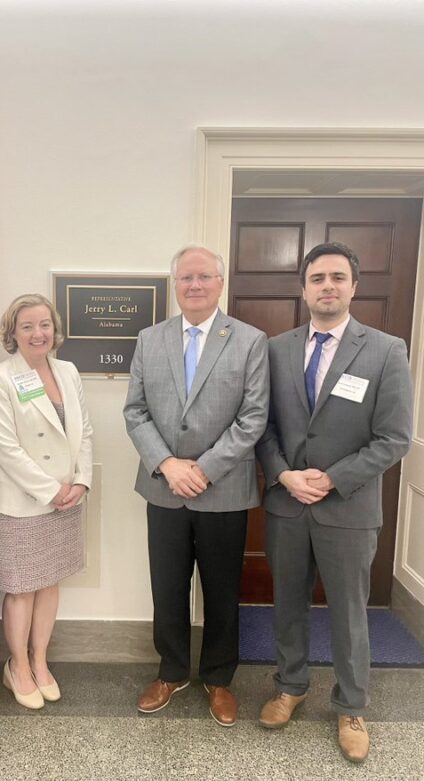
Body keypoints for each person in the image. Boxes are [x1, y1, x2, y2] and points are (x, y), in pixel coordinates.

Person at [256, 242, 413, 763]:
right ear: (303, 289)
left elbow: (393, 438)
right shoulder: (276, 349)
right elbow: (264, 427)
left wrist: (330, 478)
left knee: (349, 611)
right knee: (288, 605)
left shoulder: (386, 350)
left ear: (353, 286)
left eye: (337, 277)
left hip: (347, 506)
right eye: (317, 278)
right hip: (286, 504)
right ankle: (291, 685)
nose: (327, 286)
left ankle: (351, 706)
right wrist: (283, 473)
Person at [123, 245, 269, 726]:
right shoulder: (150, 338)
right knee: (167, 587)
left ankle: (220, 679)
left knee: (222, 589)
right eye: (186, 277)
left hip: (222, 489)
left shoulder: (248, 340)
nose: (195, 285)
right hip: (163, 487)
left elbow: (253, 419)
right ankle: (171, 670)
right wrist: (167, 463)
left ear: (220, 283)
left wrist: (202, 468)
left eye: (204, 276)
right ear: (175, 284)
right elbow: (136, 411)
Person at [0, 294, 92, 709]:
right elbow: (5, 448)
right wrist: (51, 489)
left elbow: (85, 433)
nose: (37, 333)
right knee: (21, 589)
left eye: (44, 324)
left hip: (67, 499)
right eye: (26, 326)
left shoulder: (68, 371)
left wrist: (81, 482)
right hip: (21, 502)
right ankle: (17, 667)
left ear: (54, 328)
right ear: (12, 332)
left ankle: (40, 661)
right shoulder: (0, 377)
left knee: (49, 583)